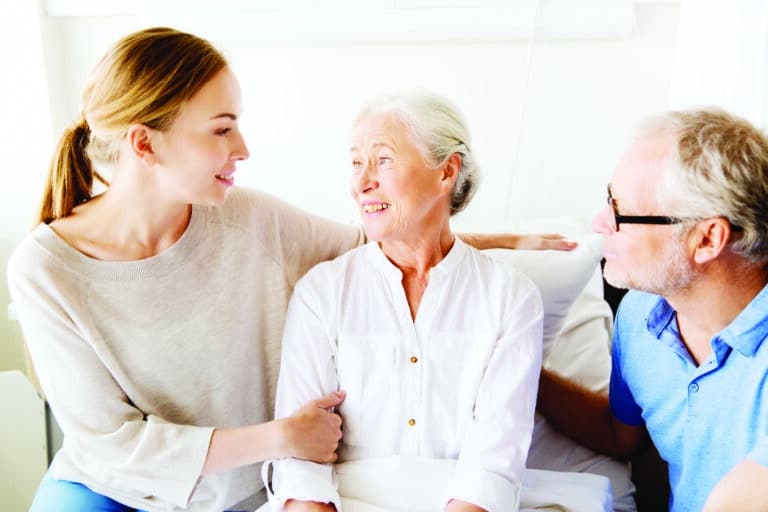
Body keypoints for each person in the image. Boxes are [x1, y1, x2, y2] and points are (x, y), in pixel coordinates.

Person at [7, 27, 570, 512]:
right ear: (144, 144)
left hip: (239, 490)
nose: (244, 147)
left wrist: (506, 240)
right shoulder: (45, 269)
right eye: (222, 128)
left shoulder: (249, 219)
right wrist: (283, 436)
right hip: (110, 487)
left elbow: (384, 238)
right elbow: (111, 446)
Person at [266, 92, 544, 512]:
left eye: (384, 160)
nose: (361, 184)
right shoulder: (321, 292)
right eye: (357, 163)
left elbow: (493, 463)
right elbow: (299, 463)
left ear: (447, 171)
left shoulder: (510, 297)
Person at [537, 109, 768, 512]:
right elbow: (621, 434)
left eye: (620, 211)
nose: (599, 222)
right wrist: (518, 367)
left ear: (707, 238)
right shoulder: (642, 316)